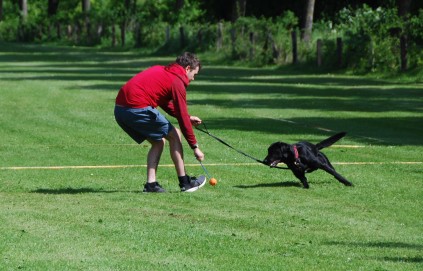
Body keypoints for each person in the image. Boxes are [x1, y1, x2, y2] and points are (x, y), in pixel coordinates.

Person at [114, 52, 206, 193]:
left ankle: (151, 184)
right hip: (136, 108)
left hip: (120, 110)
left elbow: (163, 102)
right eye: (194, 74)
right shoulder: (177, 81)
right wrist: (195, 146)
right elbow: (181, 117)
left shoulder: (162, 71)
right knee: (175, 135)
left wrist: (187, 117)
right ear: (187, 68)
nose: (193, 78)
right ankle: (185, 183)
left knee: (158, 141)